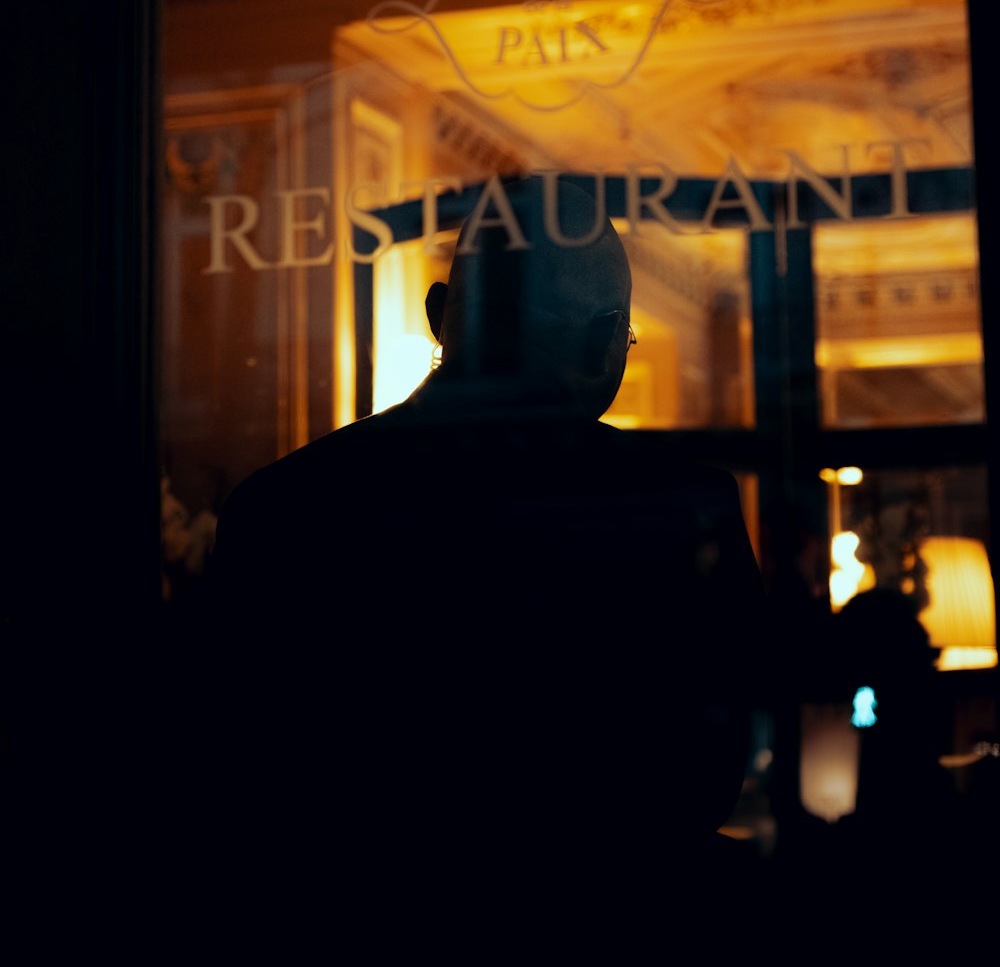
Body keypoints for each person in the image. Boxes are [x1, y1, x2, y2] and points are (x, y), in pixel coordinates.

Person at [201, 176, 764, 935]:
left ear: (439, 315)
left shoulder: (280, 506)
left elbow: (236, 787)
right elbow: (708, 779)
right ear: (606, 339)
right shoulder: (681, 508)